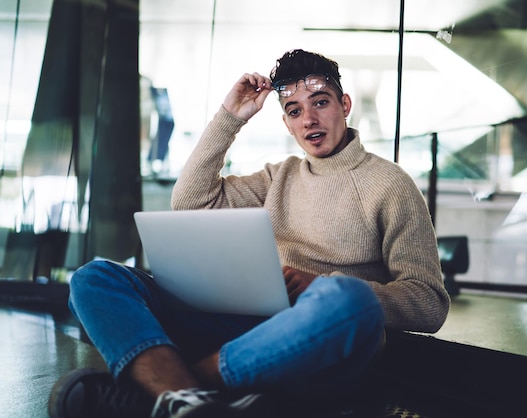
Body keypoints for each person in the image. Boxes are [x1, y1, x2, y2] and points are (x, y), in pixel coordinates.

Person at [48, 49, 450, 418]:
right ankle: (196, 398)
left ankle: (173, 390)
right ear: (287, 123)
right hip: (248, 328)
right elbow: (189, 201)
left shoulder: (391, 184)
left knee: (351, 299)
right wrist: (230, 117)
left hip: (323, 337)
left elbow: (430, 303)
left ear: (344, 105)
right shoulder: (279, 176)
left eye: (320, 103)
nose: (308, 119)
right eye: (294, 110)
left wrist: (321, 285)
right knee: (94, 277)